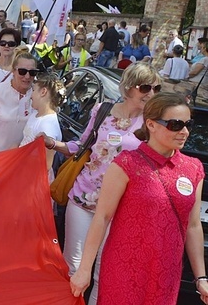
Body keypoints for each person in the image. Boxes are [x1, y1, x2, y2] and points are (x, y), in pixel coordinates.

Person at [69, 92, 206, 304]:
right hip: (124, 268)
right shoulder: (126, 164)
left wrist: (201, 278)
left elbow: (193, 226)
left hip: (166, 272)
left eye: (188, 124)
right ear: (151, 124)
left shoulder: (193, 168)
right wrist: (84, 269)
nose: (185, 132)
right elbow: (102, 217)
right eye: (176, 125)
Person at [42, 62, 162, 304]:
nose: (151, 93)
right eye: (146, 87)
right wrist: (54, 144)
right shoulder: (103, 110)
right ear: (129, 87)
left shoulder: (152, 122)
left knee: (104, 273)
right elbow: (82, 144)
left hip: (121, 209)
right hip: (84, 199)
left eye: (156, 88)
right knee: (73, 266)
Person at [20, 72, 65, 183]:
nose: (31, 95)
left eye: (34, 90)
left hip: (31, 180)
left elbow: (46, 165)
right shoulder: (36, 114)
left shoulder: (48, 127)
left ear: (43, 92)